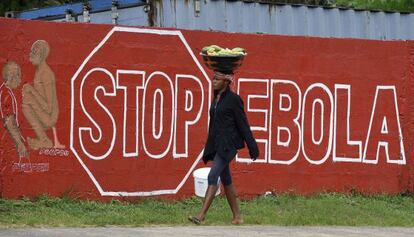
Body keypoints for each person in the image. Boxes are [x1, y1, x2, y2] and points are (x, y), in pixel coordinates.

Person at [189, 70, 259, 225]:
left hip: (228, 145)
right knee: (226, 179)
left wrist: (252, 145)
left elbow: (243, 124)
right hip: (217, 144)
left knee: (213, 176)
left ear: (226, 82)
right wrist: (209, 145)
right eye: (213, 78)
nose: (213, 81)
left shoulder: (234, 100)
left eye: (217, 79)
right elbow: (214, 125)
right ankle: (237, 217)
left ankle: (201, 215)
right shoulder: (216, 99)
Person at [22, 40, 65, 150]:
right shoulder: (39, 71)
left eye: (34, 52)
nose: (30, 54)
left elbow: (49, 107)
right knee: (26, 98)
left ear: (41, 55)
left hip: (50, 117)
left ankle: (44, 140)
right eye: (31, 51)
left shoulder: (46, 74)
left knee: (27, 99)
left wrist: (32, 91)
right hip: (42, 113)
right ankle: (43, 140)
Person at [0, 61, 28, 158]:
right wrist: (20, 144)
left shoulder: (5, 91)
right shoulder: (5, 94)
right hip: (7, 145)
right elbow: (9, 122)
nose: (20, 80)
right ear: (12, 77)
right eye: (18, 76)